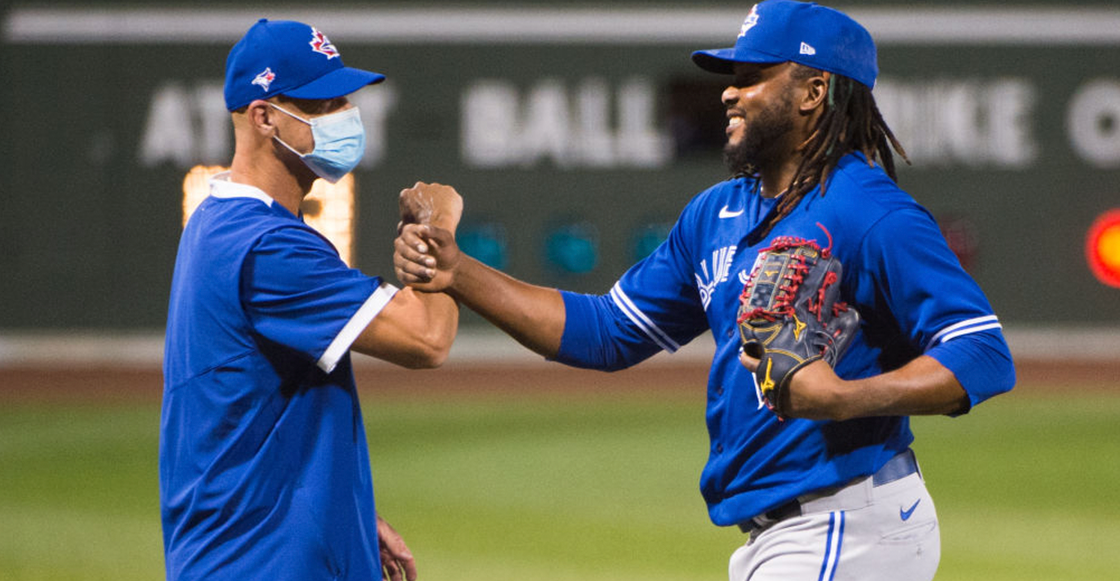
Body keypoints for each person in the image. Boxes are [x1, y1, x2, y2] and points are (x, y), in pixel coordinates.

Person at [392, 1, 1015, 580]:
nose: (728, 91)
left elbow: (983, 353)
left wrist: (844, 397)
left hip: (847, 524)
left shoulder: (871, 214)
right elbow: (607, 331)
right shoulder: (718, 212)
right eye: (731, 76)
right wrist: (459, 272)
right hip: (781, 537)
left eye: (752, 76)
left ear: (814, 91)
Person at [161, 19, 461, 581]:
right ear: (263, 116)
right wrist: (436, 222)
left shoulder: (217, 221)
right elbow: (428, 340)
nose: (345, 115)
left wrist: (343, 508)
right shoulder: (266, 245)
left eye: (345, 99)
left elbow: (250, 405)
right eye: (323, 104)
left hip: (251, 548)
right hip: (258, 562)